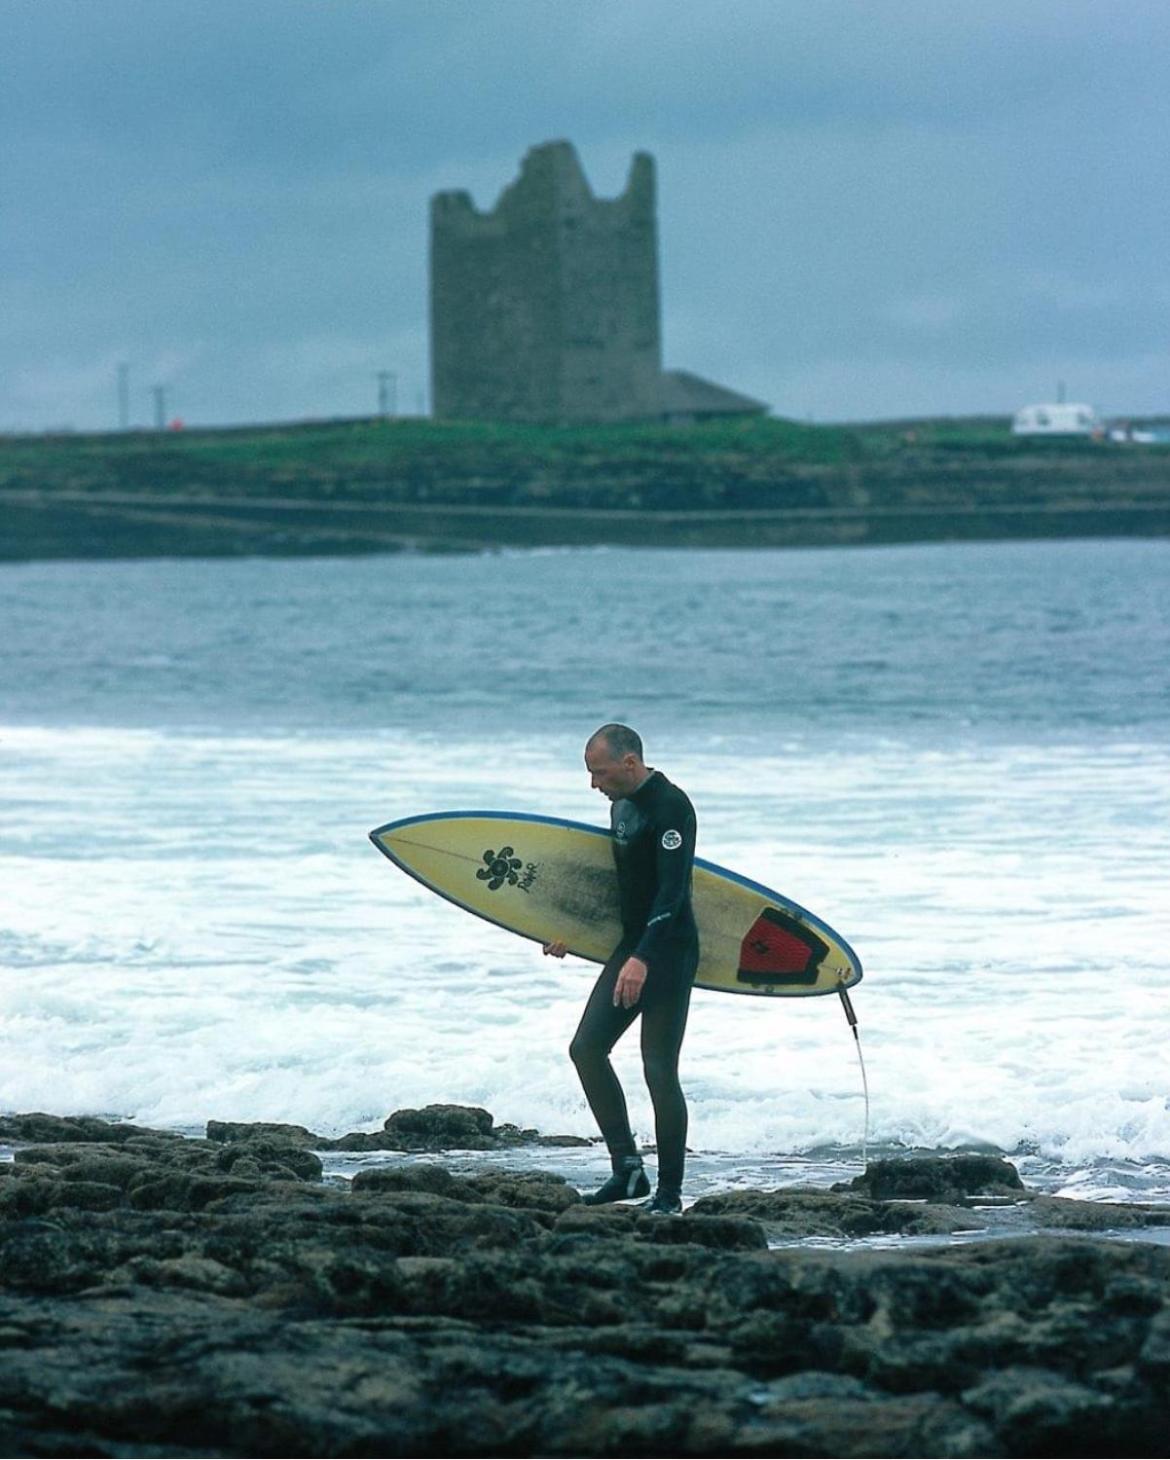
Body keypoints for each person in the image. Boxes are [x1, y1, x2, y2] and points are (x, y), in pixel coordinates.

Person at [543, 724, 699, 1215]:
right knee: (586, 1048)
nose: (594, 784)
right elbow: (623, 891)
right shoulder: (620, 807)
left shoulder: (672, 807)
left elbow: (671, 894)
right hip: (633, 947)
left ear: (630, 763)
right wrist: (578, 935)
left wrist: (644, 958)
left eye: (600, 772)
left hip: (668, 951)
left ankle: (670, 1193)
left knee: (658, 1069)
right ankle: (628, 1170)